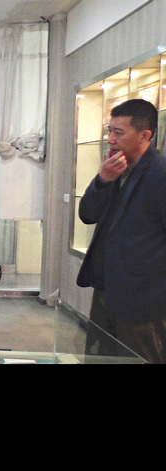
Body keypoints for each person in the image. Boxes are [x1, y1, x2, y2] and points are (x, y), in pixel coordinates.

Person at [77, 98, 166, 364]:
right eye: (109, 131)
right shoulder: (116, 166)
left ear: (145, 135)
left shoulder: (160, 172)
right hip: (107, 289)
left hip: (143, 297)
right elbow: (87, 214)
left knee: (137, 358)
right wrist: (103, 180)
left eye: (119, 132)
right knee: (100, 357)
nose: (111, 139)